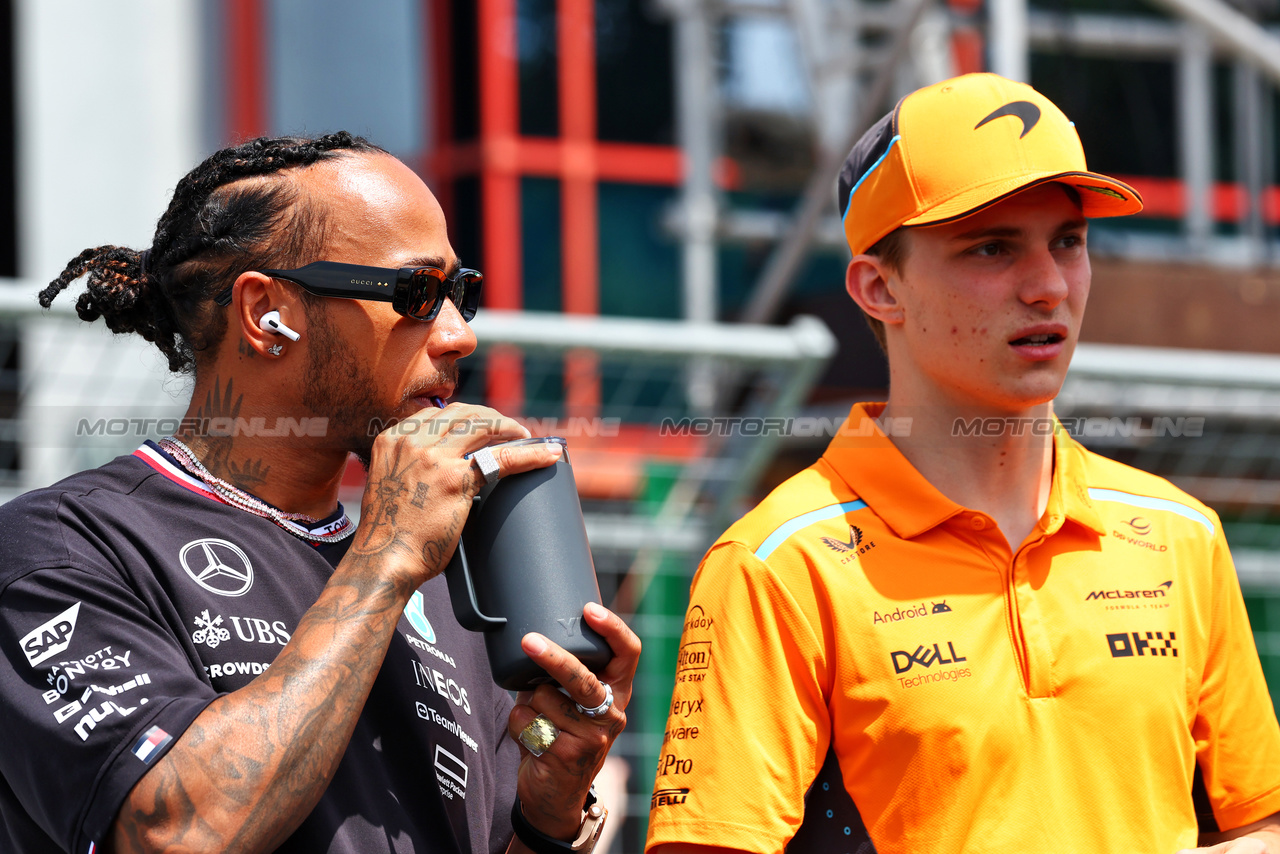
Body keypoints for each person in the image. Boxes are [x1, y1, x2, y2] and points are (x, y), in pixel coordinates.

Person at [645, 73, 1280, 854]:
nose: (1048, 286)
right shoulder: (779, 565)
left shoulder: (1181, 535)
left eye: (1069, 242)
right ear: (880, 288)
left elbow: (1261, 821)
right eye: (992, 248)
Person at [0, 132, 639, 854]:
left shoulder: (442, 586)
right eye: (416, 293)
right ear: (266, 314)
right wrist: (384, 560)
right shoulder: (63, 546)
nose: (459, 335)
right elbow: (176, 833)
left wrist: (550, 811)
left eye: (463, 294)